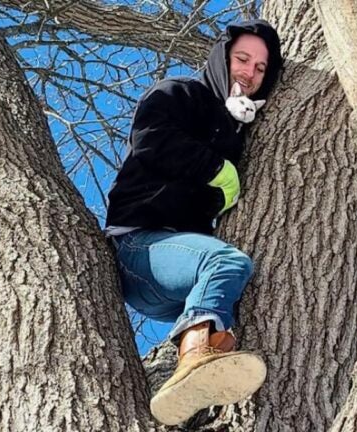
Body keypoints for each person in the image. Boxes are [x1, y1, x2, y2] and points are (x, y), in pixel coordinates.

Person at [105, 20, 283, 426]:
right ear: (223, 58)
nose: (249, 73)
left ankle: (199, 377)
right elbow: (153, 139)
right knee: (228, 264)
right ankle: (194, 357)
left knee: (241, 295)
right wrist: (219, 169)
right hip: (140, 244)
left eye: (260, 69)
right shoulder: (179, 93)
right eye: (242, 59)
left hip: (172, 284)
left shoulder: (237, 127)